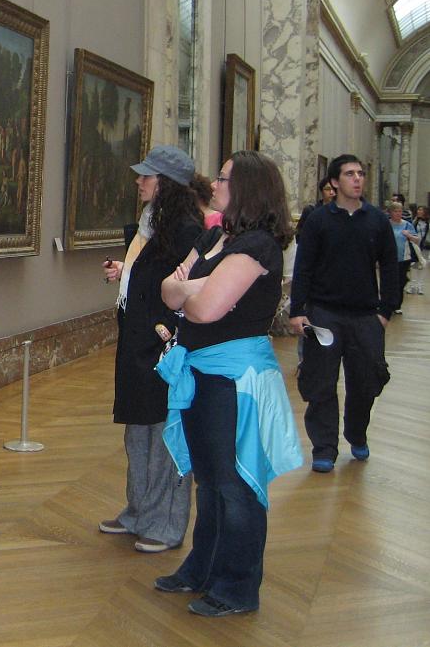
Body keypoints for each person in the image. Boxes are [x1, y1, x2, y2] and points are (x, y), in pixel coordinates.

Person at [153, 151, 303, 617]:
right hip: (200, 371)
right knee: (210, 480)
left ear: (249, 189)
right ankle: (202, 568)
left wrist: (191, 290)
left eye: (223, 178)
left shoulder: (258, 246)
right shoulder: (215, 235)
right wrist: (193, 289)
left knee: (236, 483)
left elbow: (203, 310)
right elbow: (167, 290)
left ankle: (237, 586)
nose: (214, 184)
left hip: (235, 379)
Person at [98, 145, 203, 553]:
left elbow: (188, 289)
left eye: (147, 175)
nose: (139, 181)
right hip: (137, 340)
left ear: (168, 184)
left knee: (165, 436)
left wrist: (169, 336)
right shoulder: (152, 223)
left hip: (164, 347)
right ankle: (139, 511)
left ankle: (166, 524)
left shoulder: (187, 231)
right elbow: (153, 275)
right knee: (138, 430)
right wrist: (125, 271)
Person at [288, 154, 399, 473]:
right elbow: (304, 267)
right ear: (334, 182)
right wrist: (297, 311)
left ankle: (356, 431)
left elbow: (390, 266)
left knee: (366, 382)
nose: (357, 179)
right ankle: (324, 447)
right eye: (350, 174)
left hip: (365, 316)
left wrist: (385, 310)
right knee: (321, 383)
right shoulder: (319, 221)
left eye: (360, 173)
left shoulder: (376, 220)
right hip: (324, 313)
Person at [386, 201, 419, 312]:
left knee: (400, 282)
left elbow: (417, 239)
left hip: (404, 259)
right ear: (390, 212)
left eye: (400, 211)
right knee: (389, 282)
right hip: (388, 258)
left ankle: (397, 305)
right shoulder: (386, 224)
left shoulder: (407, 225)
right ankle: (387, 303)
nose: (398, 213)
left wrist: (409, 235)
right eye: (395, 211)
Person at [295, 176, 336, 243]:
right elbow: (299, 236)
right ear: (322, 191)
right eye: (327, 189)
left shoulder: (342, 213)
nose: (331, 192)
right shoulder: (310, 211)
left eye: (334, 189)